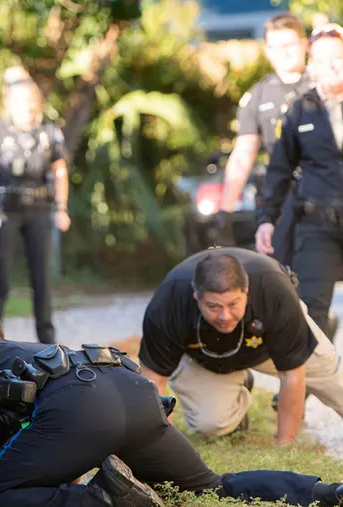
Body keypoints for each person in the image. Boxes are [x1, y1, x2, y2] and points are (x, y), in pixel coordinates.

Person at [0, 309, 343, 507]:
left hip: (80, 412)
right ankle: (325, 492)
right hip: (132, 392)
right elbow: (50, 456)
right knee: (211, 485)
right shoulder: (29, 349)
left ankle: (105, 498)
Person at [137, 247, 343, 444]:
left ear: (247, 291)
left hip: (271, 343)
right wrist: (165, 447)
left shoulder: (275, 290)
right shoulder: (169, 302)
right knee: (211, 424)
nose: (224, 316)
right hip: (207, 358)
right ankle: (239, 388)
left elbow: (292, 374)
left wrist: (285, 445)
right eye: (213, 306)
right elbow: (153, 381)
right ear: (196, 297)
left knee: (337, 386)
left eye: (233, 304)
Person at [257, 23, 343, 339]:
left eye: (337, 58)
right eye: (322, 60)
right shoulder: (301, 110)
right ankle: (301, 388)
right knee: (309, 313)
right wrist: (266, 219)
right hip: (318, 224)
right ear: (312, 65)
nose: (331, 66)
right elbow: (279, 170)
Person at [0, 70, 70, 344]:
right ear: (9, 102)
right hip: (6, 210)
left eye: (29, 100)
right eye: (19, 101)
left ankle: (48, 344)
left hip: (39, 210)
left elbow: (60, 171)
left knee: (42, 278)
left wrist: (61, 208)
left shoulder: (49, 132)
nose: (25, 106)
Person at [222, 14, 312, 266]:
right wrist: (224, 211)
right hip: (282, 194)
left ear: (305, 44)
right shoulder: (258, 95)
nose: (283, 53)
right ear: (267, 51)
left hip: (326, 187)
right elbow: (243, 154)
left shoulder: (325, 85)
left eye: (290, 45)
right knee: (280, 270)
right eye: (276, 47)